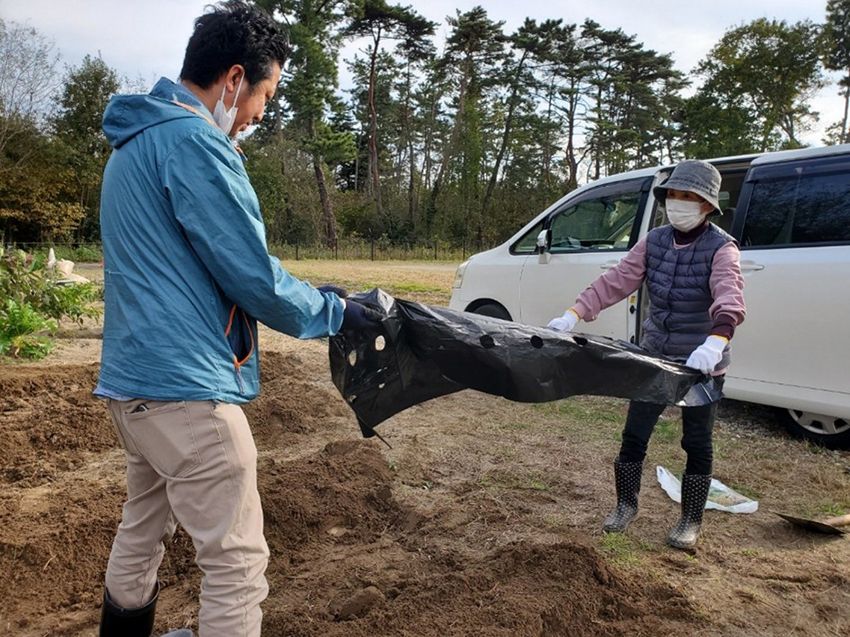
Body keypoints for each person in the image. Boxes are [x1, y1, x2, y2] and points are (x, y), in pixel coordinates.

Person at [94, 2, 379, 635]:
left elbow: (197, 265)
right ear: (232, 80)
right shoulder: (194, 143)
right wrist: (334, 312)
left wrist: (307, 290)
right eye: (265, 95)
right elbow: (251, 274)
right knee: (237, 562)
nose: (258, 115)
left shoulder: (132, 147)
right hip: (188, 393)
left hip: (133, 386)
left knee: (142, 529)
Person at [548, 160, 745, 550]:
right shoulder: (654, 241)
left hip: (701, 362)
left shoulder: (722, 248)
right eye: (673, 195)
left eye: (688, 197)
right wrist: (574, 314)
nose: (678, 203)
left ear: (706, 205)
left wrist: (715, 342)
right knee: (635, 433)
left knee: (697, 442)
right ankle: (625, 504)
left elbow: (730, 296)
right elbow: (616, 280)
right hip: (655, 354)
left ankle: (690, 520)